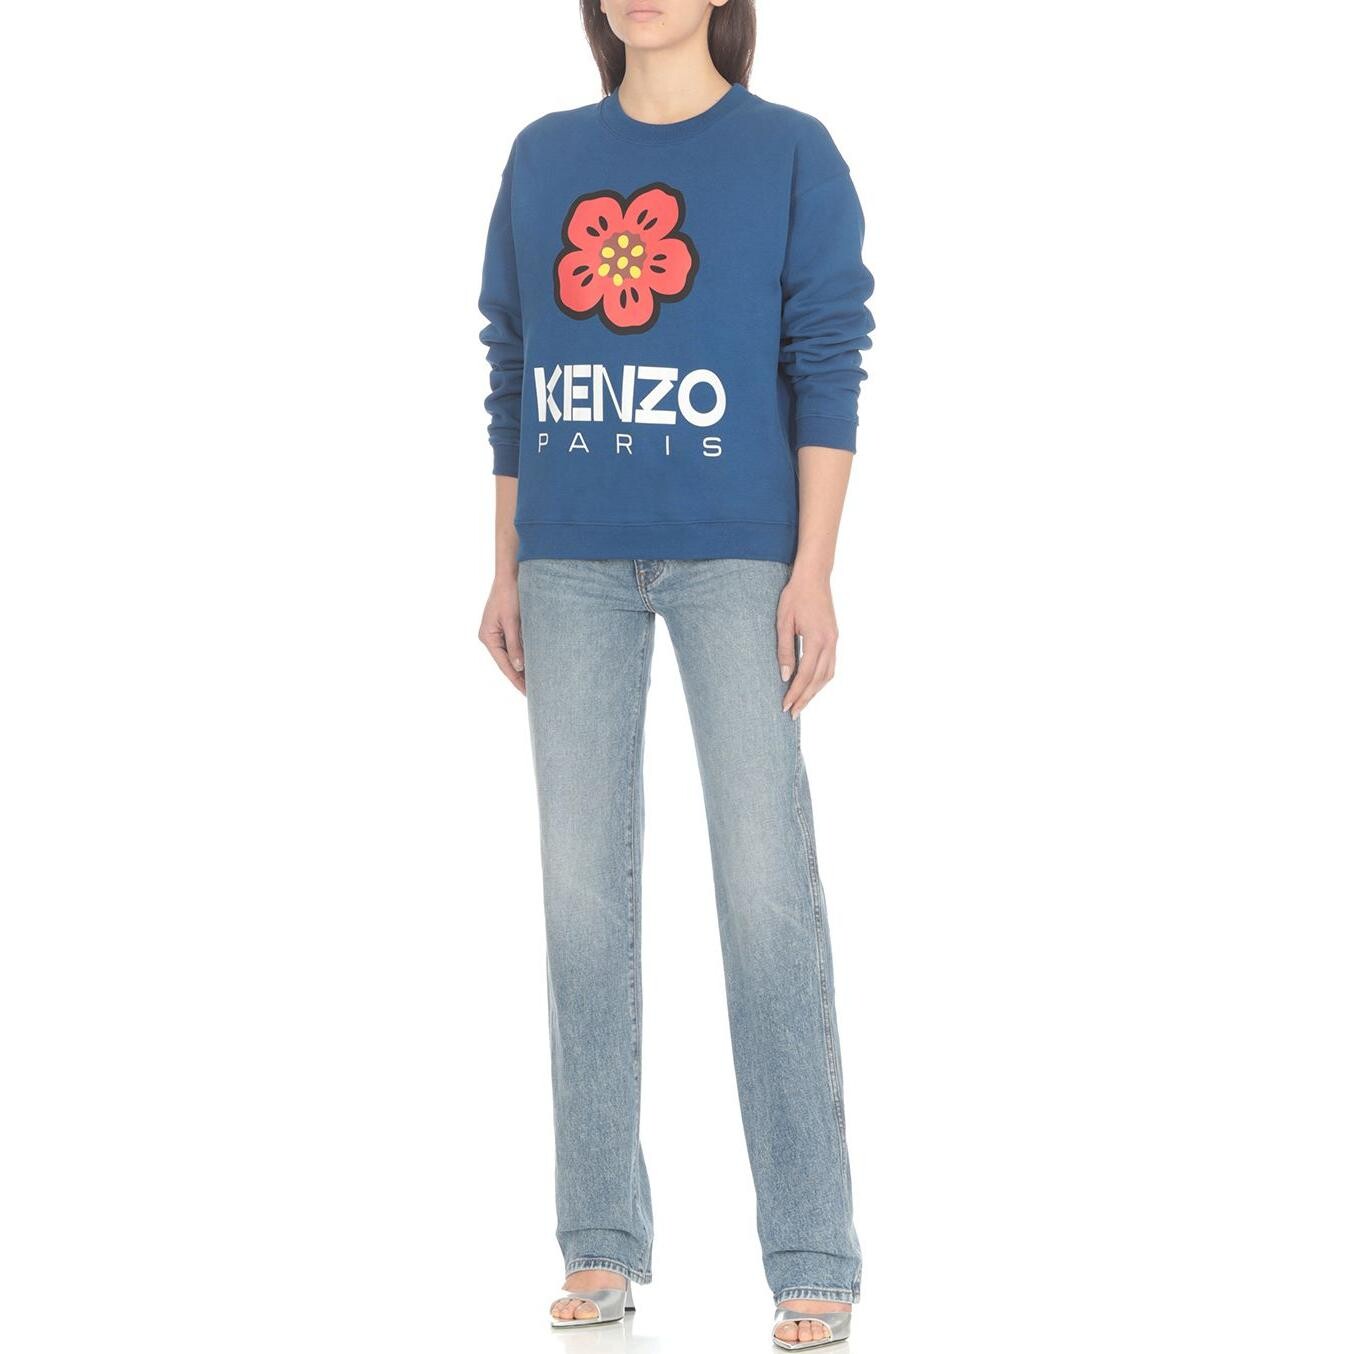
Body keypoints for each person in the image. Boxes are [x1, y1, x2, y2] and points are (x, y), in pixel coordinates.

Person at [476, 1, 874, 1346]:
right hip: (568, 563)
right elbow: (514, 367)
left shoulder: (790, 152)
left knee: (768, 899)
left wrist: (812, 571)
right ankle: (598, 1244)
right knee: (582, 904)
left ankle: (811, 1252)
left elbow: (827, 361)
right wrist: (504, 562)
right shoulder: (542, 157)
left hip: (737, 561)